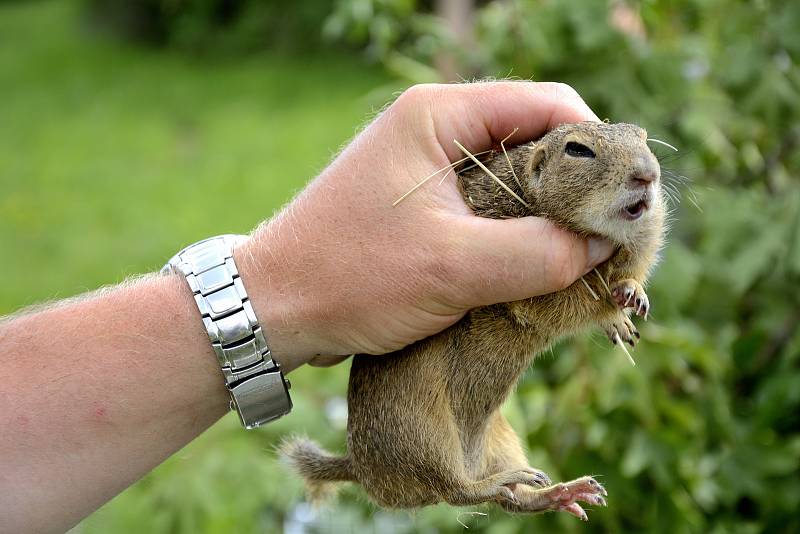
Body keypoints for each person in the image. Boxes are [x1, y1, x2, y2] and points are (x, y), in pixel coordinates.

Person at [0, 81, 613, 533]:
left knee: (494, 448)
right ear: (534, 169)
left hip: (461, 411)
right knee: (458, 457)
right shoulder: (507, 201)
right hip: (428, 434)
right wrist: (280, 287)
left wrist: (270, 295)